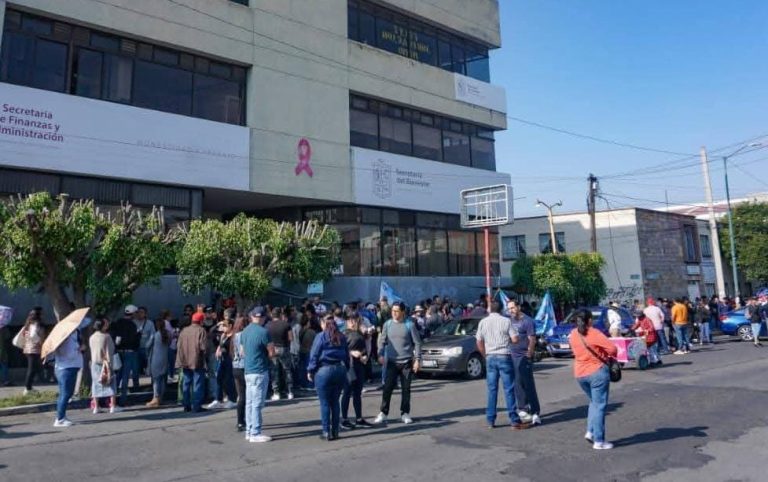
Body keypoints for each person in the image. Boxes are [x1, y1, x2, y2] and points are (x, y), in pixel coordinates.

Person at [568, 308, 618, 450]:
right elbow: (613, 349)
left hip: (580, 373)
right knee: (599, 405)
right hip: (597, 372)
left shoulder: (573, 334)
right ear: (589, 320)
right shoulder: (594, 333)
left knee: (593, 403)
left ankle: (590, 431)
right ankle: (599, 440)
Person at [476, 301, 528, 429]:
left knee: (492, 389)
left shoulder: (483, 322)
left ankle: (491, 420)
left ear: (490, 310)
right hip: (504, 355)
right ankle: (514, 419)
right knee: (509, 389)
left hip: (490, 356)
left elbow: (479, 341)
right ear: (501, 310)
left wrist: (485, 354)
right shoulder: (506, 321)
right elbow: (515, 339)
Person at [374, 301, 422, 425]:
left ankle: (405, 413)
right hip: (391, 362)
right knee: (387, 388)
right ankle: (383, 413)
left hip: (406, 362)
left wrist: (417, 360)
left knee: (406, 389)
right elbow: (382, 341)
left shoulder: (409, 325)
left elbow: (417, 343)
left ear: (402, 312)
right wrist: (379, 354)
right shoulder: (388, 324)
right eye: (392, 311)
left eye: (396, 311)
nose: (394, 313)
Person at [307, 314, 349, 441]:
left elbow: (314, 354)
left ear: (324, 324)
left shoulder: (321, 336)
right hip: (339, 370)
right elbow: (347, 356)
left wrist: (310, 370)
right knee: (335, 402)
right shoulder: (341, 337)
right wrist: (346, 368)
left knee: (325, 403)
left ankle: (326, 431)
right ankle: (335, 431)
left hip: (324, 370)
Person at [240, 306, 275, 443]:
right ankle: (255, 432)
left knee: (249, 402)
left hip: (248, 370)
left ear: (252, 316)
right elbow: (271, 352)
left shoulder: (245, 331)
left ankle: (249, 431)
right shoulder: (264, 332)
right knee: (257, 404)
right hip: (260, 370)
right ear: (264, 317)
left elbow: (242, 352)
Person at [508, 300, 541, 426]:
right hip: (513, 356)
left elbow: (532, 338)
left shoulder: (527, 321)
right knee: (517, 383)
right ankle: (522, 409)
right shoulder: (509, 321)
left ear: (518, 307)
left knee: (528, 384)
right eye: (509, 308)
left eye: (512, 308)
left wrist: (530, 352)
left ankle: (535, 411)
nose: (511, 310)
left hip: (524, 356)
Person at [341, 312, 372, 429]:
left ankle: (359, 418)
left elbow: (363, 348)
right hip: (349, 366)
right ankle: (344, 419)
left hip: (359, 365)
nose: (354, 322)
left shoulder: (359, 333)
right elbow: (340, 350)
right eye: (351, 320)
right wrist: (351, 353)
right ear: (348, 321)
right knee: (347, 392)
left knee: (357, 393)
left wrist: (364, 356)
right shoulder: (343, 334)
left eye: (355, 320)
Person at [175, 312, 208, 413]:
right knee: (197, 383)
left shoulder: (184, 330)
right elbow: (203, 347)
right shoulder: (201, 330)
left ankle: (186, 405)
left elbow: (178, 345)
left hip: (184, 360)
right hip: (196, 361)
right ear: (201, 321)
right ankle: (197, 406)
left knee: (186, 382)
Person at [53, 328, 84, 427]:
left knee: (66, 393)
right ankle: (60, 419)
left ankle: (62, 416)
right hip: (66, 368)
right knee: (65, 394)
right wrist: (80, 348)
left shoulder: (71, 338)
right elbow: (69, 354)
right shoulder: (66, 339)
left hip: (68, 367)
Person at [89, 316, 121, 414]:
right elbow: (109, 351)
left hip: (94, 363)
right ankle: (113, 406)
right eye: (106, 323)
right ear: (102, 326)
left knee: (96, 384)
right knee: (111, 384)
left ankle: (96, 407)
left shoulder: (92, 337)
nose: (107, 325)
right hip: (105, 363)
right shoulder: (107, 336)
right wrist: (110, 364)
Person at [110, 305, 142, 404]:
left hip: (118, 352)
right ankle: (123, 399)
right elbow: (135, 342)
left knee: (116, 376)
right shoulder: (133, 326)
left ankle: (112, 398)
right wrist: (138, 335)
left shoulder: (117, 323)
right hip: (129, 352)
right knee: (125, 376)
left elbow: (114, 338)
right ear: (133, 314)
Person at [207, 315, 237, 409]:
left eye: (224, 326)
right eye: (222, 325)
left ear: (230, 326)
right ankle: (217, 399)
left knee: (229, 380)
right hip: (223, 359)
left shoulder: (234, 336)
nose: (222, 327)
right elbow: (211, 332)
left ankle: (232, 399)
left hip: (230, 359)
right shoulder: (223, 335)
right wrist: (217, 325)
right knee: (219, 378)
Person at [267, 307, 294, 401]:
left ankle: (276, 392)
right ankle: (290, 391)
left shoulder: (268, 325)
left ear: (271, 315)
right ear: (280, 314)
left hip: (272, 348)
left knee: (274, 371)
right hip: (284, 348)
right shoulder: (286, 325)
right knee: (287, 370)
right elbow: (291, 338)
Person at [20, 310, 46, 395]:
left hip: (27, 349)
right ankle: (28, 388)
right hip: (35, 350)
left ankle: (29, 387)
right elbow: (41, 339)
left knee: (33, 368)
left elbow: (24, 336)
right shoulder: (39, 326)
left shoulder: (27, 326)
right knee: (32, 369)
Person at [146, 318, 169, 408]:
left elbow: (147, 345)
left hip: (155, 359)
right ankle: (161, 398)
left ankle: (155, 398)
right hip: (165, 358)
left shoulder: (155, 335)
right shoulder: (167, 334)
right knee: (162, 379)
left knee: (156, 380)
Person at [232, 314, 249, 432]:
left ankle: (240, 421)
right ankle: (245, 420)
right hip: (244, 366)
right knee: (247, 396)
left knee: (241, 395)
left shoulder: (234, 336)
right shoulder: (244, 335)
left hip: (236, 366)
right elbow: (244, 352)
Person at [297, 313, 317, 391]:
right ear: (307, 323)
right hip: (309, 351)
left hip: (301, 350)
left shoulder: (300, 330)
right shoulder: (311, 332)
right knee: (309, 368)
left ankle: (303, 384)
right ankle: (310, 384)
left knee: (302, 368)